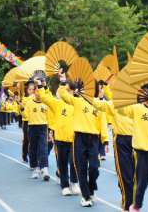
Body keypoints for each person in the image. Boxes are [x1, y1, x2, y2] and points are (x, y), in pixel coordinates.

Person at [57, 71, 108, 207]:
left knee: (94, 168)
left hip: (93, 140)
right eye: (86, 87)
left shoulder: (98, 104)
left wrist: (105, 140)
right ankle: (86, 197)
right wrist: (62, 81)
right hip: (79, 138)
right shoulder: (77, 101)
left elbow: (102, 122)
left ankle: (91, 189)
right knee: (81, 168)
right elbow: (63, 95)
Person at [37, 82, 80, 196]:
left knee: (74, 161)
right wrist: (41, 86)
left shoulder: (77, 104)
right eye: (65, 90)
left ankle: (74, 183)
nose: (66, 92)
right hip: (60, 138)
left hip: (74, 139)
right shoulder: (57, 103)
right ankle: (65, 186)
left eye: (68, 90)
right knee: (62, 163)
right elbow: (45, 98)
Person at [25, 81, 50, 181]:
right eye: (37, 92)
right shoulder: (29, 103)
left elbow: (50, 117)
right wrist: (22, 109)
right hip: (32, 127)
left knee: (43, 148)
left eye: (40, 92)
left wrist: (51, 131)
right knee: (33, 148)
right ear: (34, 92)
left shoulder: (46, 103)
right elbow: (26, 116)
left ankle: (44, 169)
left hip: (43, 127)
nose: (39, 94)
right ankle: (35, 168)